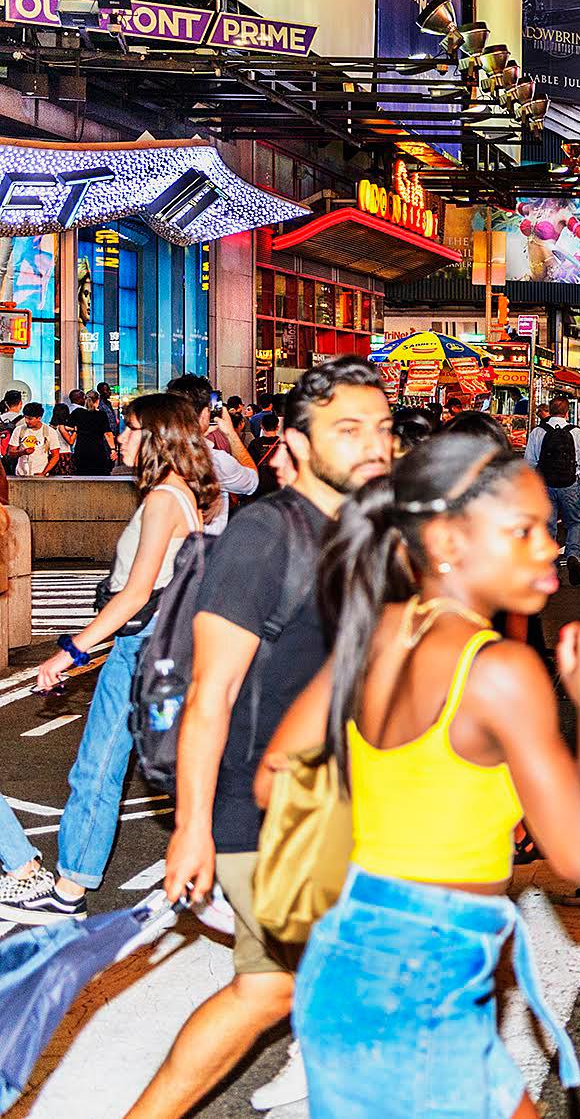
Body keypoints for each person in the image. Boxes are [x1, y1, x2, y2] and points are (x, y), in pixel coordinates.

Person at [255, 434, 580, 1117]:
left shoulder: (381, 629)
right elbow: (579, 855)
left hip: (351, 960)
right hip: (424, 990)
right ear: (449, 540)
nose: (549, 544)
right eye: (523, 529)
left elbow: (274, 776)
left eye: (546, 526)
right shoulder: (500, 672)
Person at [135, 358, 393, 1118]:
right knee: (285, 985)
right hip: (256, 807)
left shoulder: (361, 531)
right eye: (349, 430)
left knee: (293, 982)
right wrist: (190, 828)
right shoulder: (266, 537)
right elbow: (209, 693)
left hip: (327, 803)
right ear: (297, 441)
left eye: (381, 427)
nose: (374, 444)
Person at [0, 395, 224, 925]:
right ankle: (71, 884)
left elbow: (135, 593)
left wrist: (70, 651)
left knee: (99, 769)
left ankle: (66, 889)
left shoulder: (165, 499)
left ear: (155, 437)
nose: (118, 437)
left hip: (138, 647)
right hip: (154, 646)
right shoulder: (182, 495)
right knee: (125, 766)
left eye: (128, 429)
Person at [526, 395, 580, 587]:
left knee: (548, 527)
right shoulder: (575, 432)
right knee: (575, 523)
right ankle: (573, 554)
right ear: (567, 412)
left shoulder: (538, 432)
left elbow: (529, 463)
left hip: (545, 486)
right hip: (570, 485)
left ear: (549, 410)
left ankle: (552, 569)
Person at [166, 373, 260, 507]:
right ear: (205, 413)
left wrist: (201, 433)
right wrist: (231, 433)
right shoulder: (213, 460)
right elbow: (252, 482)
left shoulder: (157, 451)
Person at [59, 385, 114, 475]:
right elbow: (107, 433)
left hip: (82, 448)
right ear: (97, 401)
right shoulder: (101, 414)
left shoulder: (77, 412)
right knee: (99, 475)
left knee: (82, 474)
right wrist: (113, 449)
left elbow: (66, 427)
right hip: (98, 449)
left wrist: (76, 429)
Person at [3, 401, 67, 475]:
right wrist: (22, 452)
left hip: (40, 473)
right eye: (25, 418)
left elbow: (55, 456)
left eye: (30, 419)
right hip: (21, 474)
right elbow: (11, 452)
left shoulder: (50, 432)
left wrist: (44, 473)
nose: (26, 421)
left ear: (39, 418)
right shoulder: (19, 430)